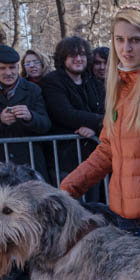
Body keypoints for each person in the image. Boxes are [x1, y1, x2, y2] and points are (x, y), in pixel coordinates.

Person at [60, 8, 140, 244]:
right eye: (120, 40)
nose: (126, 48)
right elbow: (107, 150)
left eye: (135, 40)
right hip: (121, 217)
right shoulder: (119, 88)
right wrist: (66, 189)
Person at [0, 44, 52, 171]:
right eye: (2, 68)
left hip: (30, 162)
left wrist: (30, 117)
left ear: (18, 67)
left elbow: (45, 124)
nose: (8, 73)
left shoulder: (33, 90)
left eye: (12, 68)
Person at [41, 35, 106, 185]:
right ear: (63, 58)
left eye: (82, 54)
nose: (78, 59)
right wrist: (100, 122)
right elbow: (64, 113)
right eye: (73, 55)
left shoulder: (92, 81)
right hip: (65, 159)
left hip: (92, 157)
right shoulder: (52, 81)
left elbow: (104, 108)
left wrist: (94, 128)